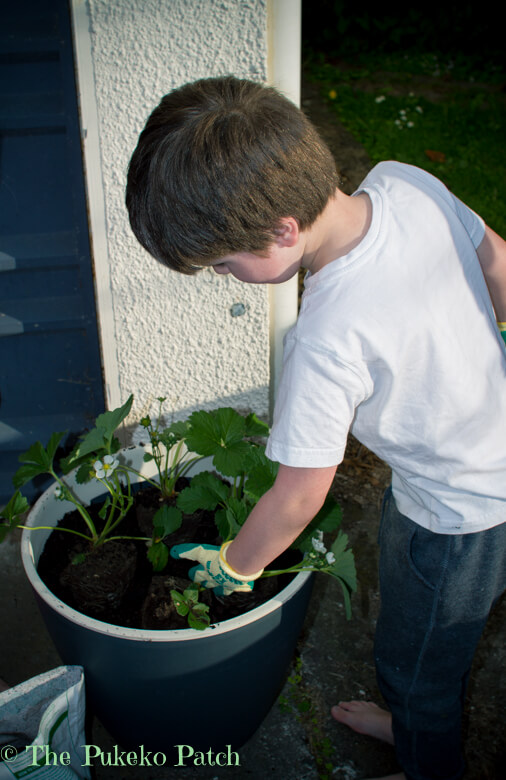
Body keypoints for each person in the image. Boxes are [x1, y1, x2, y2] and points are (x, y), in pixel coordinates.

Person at [126, 76, 506, 780]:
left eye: (221, 265)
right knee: (412, 630)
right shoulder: (406, 182)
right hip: (471, 460)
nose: (224, 278)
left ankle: (429, 755)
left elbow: (298, 496)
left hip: (463, 518)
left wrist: (239, 563)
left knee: (424, 661)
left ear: (281, 233)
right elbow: (499, 265)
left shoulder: (326, 338)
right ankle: (413, 722)